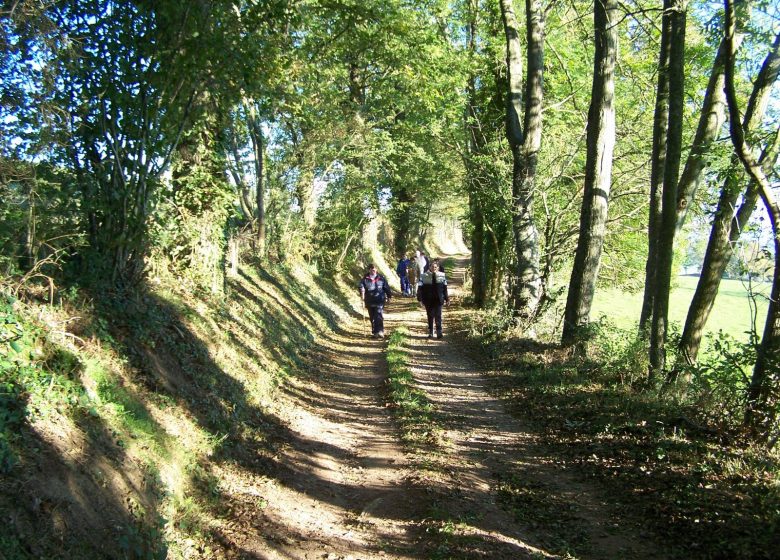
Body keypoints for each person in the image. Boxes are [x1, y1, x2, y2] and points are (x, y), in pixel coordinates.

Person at [417, 258, 448, 339]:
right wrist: (419, 299)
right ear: (429, 267)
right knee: (430, 315)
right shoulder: (423, 276)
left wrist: (447, 299)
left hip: (438, 299)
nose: (433, 268)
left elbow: (445, 288)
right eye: (432, 267)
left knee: (438, 315)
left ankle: (439, 331)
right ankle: (431, 331)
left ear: (437, 268)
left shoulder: (442, 276)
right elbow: (420, 288)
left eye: (435, 267)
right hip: (428, 300)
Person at [358, 263, 392, 338]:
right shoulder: (365, 279)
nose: (373, 270)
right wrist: (362, 291)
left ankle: (380, 331)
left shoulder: (381, 278)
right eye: (371, 269)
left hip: (379, 300)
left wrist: (389, 296)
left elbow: (386, 287)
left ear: (376, 270)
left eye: (374, 269)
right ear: (369, 270)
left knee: (378, 315)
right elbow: (361, 286)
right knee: (372, 317)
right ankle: (375, 332)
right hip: (369, 301)